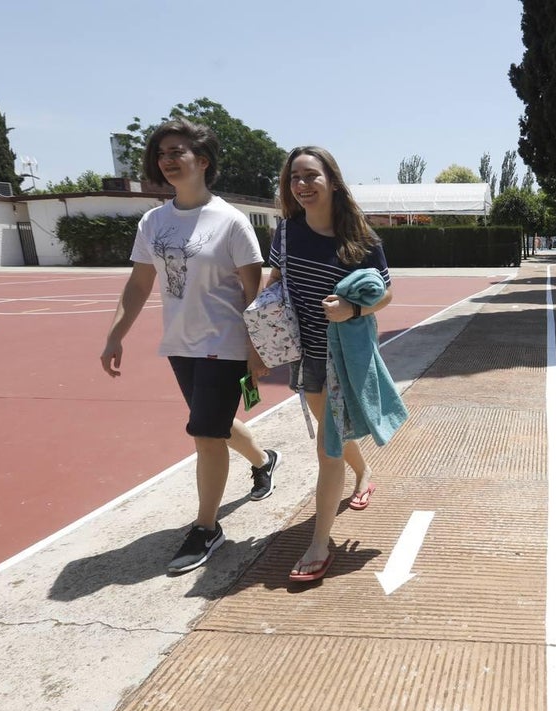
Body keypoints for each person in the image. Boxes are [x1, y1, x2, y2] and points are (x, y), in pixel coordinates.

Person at [100, 118, 282, 574]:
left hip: (225, 342)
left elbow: (253, 294)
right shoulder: (153, 221)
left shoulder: (232, 222)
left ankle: (207, 527)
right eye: (162, 153)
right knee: (212, 425)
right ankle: (263, 460)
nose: (168, 159)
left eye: (178, 151)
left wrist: (257, 353)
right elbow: (140, 282)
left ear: (202, 161)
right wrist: (115, 333)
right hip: (180, 345)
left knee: (205, 432)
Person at [270, 146, 393, 582]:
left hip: (345, 357)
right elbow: (277, 281)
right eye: (294, 178)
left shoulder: (361, 239)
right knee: (334, 434)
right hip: (306, 356)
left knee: (327, 448)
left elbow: (385, 294)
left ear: (333, 181)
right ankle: (364, 474)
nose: (301, 185)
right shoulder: (284, 235)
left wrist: (352, 310)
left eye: (310, 176)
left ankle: (319, 544)